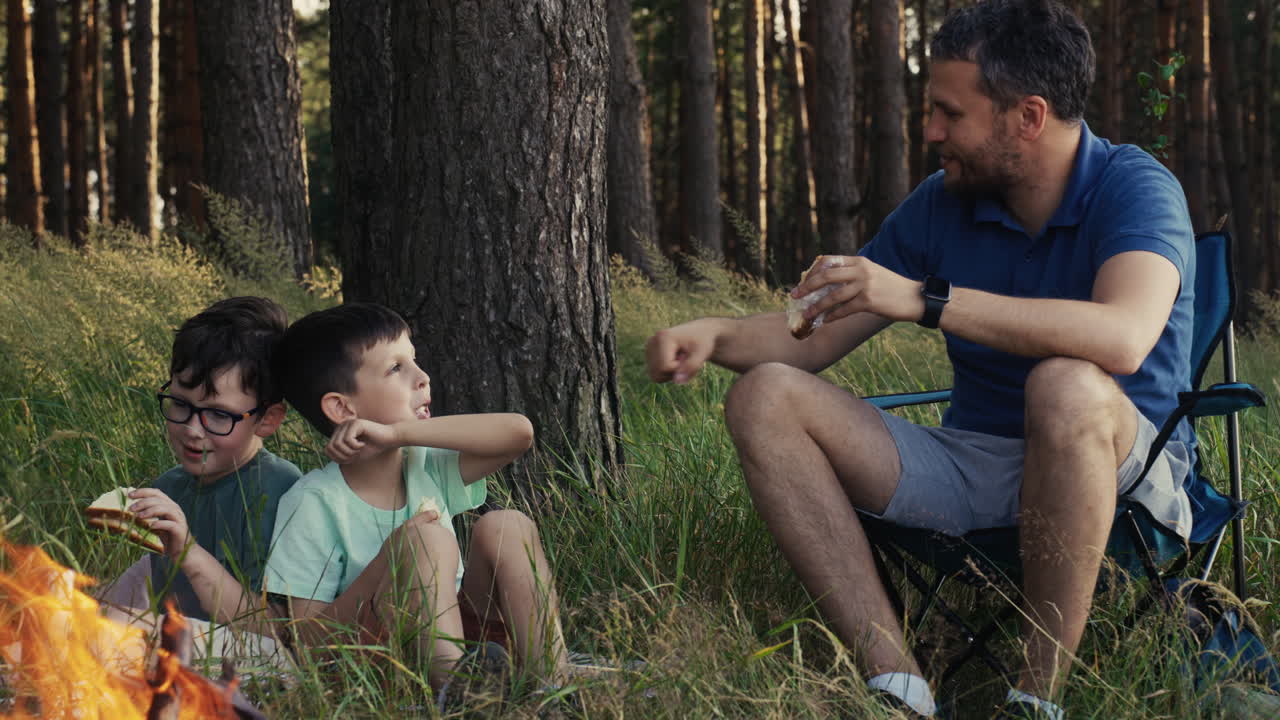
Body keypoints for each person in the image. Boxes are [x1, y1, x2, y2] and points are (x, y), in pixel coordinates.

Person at [645, 1, 1196, 718]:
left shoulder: (1135, 188)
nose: (930, 130)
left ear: (1028, 117)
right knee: (765, 395)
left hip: (1123, 475)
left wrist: (924, 298)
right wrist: (713, 335)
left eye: (949, 113)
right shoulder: (944, 203)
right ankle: (899, 688)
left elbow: (1123, 336)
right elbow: (808, 336)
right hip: (972, 465)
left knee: (1064, 386)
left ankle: (1035, 699)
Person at [264, 302, 578, 699]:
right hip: (380, 658)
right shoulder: (314, 502)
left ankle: (553, 687)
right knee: (425, 540)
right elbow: (307, 642)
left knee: (506, 526)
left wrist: (398, 434)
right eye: (396, 368)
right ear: (342, 408)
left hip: (465, 639)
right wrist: (388, 561)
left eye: (414, 360)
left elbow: (519, 433)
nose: (423, 377)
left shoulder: (424, 465)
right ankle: (454, 696)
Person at [98, 296, 301, 666]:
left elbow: (279, 629)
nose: (192, 430)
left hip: (257, 661)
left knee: (117, 636)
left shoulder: (280, 491)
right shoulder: (170, 486)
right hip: (179, 653)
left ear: (268, 419)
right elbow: (156, 590)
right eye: (180, 404)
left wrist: (187, 551)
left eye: (218, 415)